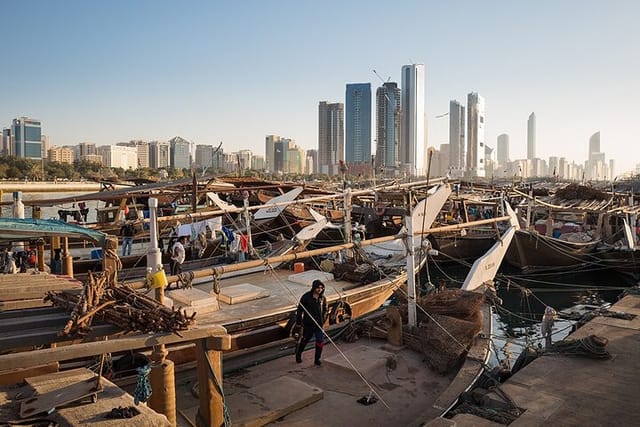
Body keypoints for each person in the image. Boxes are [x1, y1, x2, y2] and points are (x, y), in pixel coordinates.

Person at [294, 279, 328, 366]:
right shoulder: (306, 297)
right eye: (318, 288)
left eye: (321, 288)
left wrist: (323, 320)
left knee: (320, 341)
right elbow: (300, 310)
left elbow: (325, 310)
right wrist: (299, 322)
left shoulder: (322, 298)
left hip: (319, 325)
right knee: (305, 340)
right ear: (314, 288)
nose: (319, 289)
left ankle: (317, 359)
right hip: (308, 324)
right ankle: (298, 354)